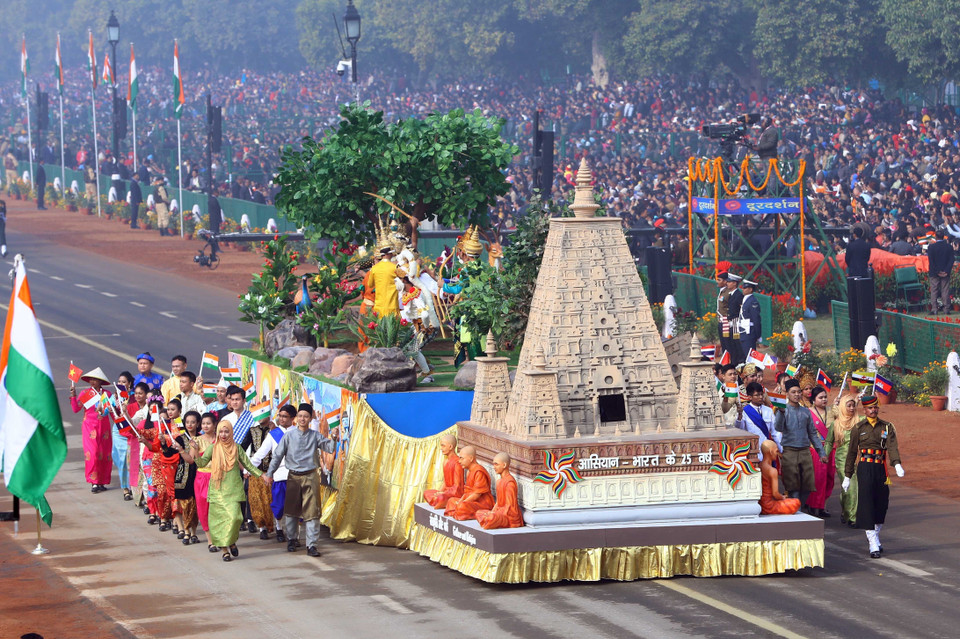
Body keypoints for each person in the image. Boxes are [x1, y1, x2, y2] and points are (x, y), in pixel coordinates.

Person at [263, 403, 340, 557]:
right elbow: (277, 455)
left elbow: (330, 448)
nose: (303, 419)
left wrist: (333, 437)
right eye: (300, 416)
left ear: (310, 418)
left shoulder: (315, 435)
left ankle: (311, 545)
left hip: (311, 477)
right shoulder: (288, 436)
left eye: (306, 416)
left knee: (312, 512)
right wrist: (270, 473)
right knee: (291, 511)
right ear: (296, 419)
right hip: (292, 477)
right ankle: (292, 539)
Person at [842, 395, 905, 558]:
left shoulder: (887, 426)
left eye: (875, 407)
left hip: (881, 468)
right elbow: (852, 453)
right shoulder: (858, 428)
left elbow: (892, 447)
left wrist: (897, 464)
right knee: (867, 502)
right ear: (865, 409)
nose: (873, 410)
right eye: (870, 408)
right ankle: (872, 543)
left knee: (882, 502)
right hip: (865, 467)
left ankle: (876, 536)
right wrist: (847, 475)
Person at [196, 421, 263, 562]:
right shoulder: (213, 448)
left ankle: (231, 541)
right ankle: (225, 550)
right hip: (217, 489)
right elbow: (201, 463)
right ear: (218, 433)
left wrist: (261, 475)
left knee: (235, 518)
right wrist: (195, 450)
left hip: (233, 489)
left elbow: (248, 465)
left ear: (231, 432)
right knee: (219, 522)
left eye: (226, 431)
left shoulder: (237, 448)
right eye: (221, 432)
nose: (223, 435)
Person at [775, 379, 827, 506]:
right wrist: (781, 414)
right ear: (787, 394)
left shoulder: (806, 411)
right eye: (793, 392)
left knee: (808, 485)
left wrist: (822, 453)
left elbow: (812, 434)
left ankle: (798, 508)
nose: (797, 395)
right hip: (789, 451)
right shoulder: (783, 410)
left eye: (798, 392)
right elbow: (778, 428)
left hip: (805, 451)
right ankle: (796, 511)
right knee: (793, 486)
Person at [250, 404, 296, 543]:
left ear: (292, 418)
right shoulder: (273, 435)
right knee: (279, 505)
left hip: (296, 475)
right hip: (280, 474)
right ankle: (279, 528)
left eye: (285, 416)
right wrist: (248, 468)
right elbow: (260, 453)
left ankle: (294, 536)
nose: (281, 419)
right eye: (280, 416)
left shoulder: (299, 432)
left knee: (296, 507)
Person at [69, 366, 113, 493]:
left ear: (100, 381)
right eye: (91, 379)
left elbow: (113, 413)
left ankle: (102, 481)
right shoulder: (86, 394)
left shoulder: (107, 394)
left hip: (104, 429)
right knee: (92, 454)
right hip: (89, 428)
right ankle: (93, 481)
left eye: (95, 379)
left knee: (105, 455)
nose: (92, 382)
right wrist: (73, 396)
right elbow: (76, 409)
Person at [182, 412, 219, 552]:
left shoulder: (221, 439)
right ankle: (210, 540)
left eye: (208, 423)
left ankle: (220, 536)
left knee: (218, 508)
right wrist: (181, 451)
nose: (205, 426)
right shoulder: (196, 440)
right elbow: (191, 460)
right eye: (203, 423)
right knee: (204, 509)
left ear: (215, 424)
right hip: (202, 478)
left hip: (219, 478)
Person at [825, 391, 860, 527]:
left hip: (858, 459)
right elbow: (828, 442)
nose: (851, 408)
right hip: (842, 461)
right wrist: (825, 456)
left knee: (852, 488)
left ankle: (849, 514)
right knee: (850, 488)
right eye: (849, 406)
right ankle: (850, 515)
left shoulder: (860, 420)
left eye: (853, 406)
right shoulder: (836, 424)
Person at [169, 411, 201, 544]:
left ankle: (193, 532)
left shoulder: (201, 438)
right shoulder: (180, 438)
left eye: (193, 422)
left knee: (195, 505)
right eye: (187, 422)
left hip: (198, 473)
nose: (190, 424)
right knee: (185, 504)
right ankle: (186, 531)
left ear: (198, 423)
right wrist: (164, 444)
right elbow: (169, 452)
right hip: (183, 475)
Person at [245, 416, 277, 539]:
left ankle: (277, 527)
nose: (260, 417)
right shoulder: (252, 430)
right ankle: (262, 527)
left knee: (271, 500)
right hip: (256, 471)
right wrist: (246, 468)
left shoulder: (276, 431)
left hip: (272, 470)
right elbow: (242, 448)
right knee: (257, 500)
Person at [805, 386, 835, 518]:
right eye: (820, 397)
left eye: (825, 397)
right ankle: (813, 505)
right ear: (813, 399)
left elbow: (847, 414)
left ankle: (823, 505)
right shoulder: (807, 412)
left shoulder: (832, 410)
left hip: (831, 449)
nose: (824, 400)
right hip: (816, 449)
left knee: (829, 478)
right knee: (818, 479)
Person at [444, 445, 494, 521]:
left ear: (471, 458)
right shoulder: (469, 472)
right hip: (471, 502)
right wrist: (460, 501)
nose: (459, 461)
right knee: (451, 501)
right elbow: (468, 492)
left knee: (461, 506)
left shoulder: (479, 472)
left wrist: (463, 502)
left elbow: (477, 494)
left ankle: (460, 511)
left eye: (462, 458)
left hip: (482, 503)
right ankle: (459, 511)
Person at [476, 453, 524, 529]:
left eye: (496, 464)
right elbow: (498, 502)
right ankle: (489, 520)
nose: (494, 467)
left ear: (504, 465)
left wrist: (495, 514)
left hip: (508, 515)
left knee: (491, 517)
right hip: (499, 512)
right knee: (479, 513)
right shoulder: (499, 482)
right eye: (494, 464)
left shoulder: (510, 483)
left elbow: (510, 506)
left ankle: (489, 521)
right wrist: (492, 512)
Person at [736, 381, 782, 460]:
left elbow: (776, 432)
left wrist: (781, 449)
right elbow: (740, 429)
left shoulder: (769, 411)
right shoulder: (745, 412)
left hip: (768, 450)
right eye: (757, 395)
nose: (760, 397)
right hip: (752, 451)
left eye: (761, 394)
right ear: (750, 397)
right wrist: (739, 416)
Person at [111, 371, 137, 501]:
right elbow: (103, 411)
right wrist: (103, 408)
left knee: (133, 460)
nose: (121, 384)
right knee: (122, 460)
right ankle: (125, 488)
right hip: (119, 431)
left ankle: (135, 487)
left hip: (132, 431)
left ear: (130, 384)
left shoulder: (134, 397)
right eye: (119, 381)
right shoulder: (113, 397)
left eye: (124, 382)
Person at [758, 440, 801, 515]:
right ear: (771, 452)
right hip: (769, 506)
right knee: (796, 502)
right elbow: (775, 494)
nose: (777, 454)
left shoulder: (759, 466)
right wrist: (783, 497)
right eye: (776, 451)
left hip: (760, 504)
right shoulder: (772, 470)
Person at [423, 434, 464, 509]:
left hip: (454, 494)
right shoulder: (445, 462)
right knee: (426, 493)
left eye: (443, 446)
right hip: (446, 493)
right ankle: (441, 501)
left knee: (441, 497)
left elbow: (457, 486)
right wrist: (438, 492)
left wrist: (444, 493)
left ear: (450, 447)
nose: (441, 448)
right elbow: (445, 482)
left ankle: (443, 501)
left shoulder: (458, 463)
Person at [716, 272, 743, 365]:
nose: (728, 283)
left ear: (734, 283)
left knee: (733, 345)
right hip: (727, 321)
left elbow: (739, 310)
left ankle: (734, 363)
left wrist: (729, 318)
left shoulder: (736, 294)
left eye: (729, 281)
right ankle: (730, 363)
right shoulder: (729, 293)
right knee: (727, 344)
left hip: (732, 323)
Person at [927, 228, 955, 314]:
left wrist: (937, 271)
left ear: (935, 237)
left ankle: (934, 309)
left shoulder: (931, 247)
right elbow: (951, 260)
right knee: (945, 290)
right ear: (943, 237)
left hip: (934, 272)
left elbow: (931, 261)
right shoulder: (949, 247)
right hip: (945, 272)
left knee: (934, 290)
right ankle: (946, 309)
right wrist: (946, 270)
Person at [368, 247, 400, 317]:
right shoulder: (395, 267)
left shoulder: (375, 268)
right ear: (388, 254)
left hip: (379, 305)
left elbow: (370, 285)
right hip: (393, 304)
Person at [737, 279, 762, 357]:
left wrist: (758, 334)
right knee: (745, 356)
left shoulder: (752, 301)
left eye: (745, 288)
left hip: (749, 332)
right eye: (743, 287)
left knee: (750, 357)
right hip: (743, 332)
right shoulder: (746, 299)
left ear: (750, 289)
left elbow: (756, 319)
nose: (743, 289)